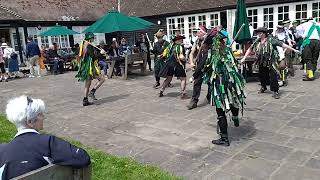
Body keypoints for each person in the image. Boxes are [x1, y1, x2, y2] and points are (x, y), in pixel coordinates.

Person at [0, 95, 91, 179]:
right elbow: (82, 158)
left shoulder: (2, 150)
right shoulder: (47, 142)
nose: (43, 117)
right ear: (30, 122)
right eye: (40, 114)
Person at [202, 27, 246, 146]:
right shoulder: (228, 50)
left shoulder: (211, 53)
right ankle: (235, 117)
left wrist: (196, 73)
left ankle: (224, 138)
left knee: (220, 110)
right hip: (232, 82)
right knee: (232, 100)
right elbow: (234, 64)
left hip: (219, 83)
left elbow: (204, 67)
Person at [242, 27, 299, 99]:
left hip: (272, 61)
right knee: (262, 75)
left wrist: (293, 50)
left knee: (273, 76)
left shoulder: (271, 40)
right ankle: (263, 87)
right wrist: (244, 58)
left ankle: (275, 91)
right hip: (262, 61)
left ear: (264, 34)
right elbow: (250, 49)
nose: (258, 35)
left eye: (260, 33)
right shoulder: (257, 41)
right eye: (258, 33)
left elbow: (282, 44)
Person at [75, 32, 106, 106]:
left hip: (86, 67)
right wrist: (101, 53)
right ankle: (92, 92)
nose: (93, 39)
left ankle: (85, 101)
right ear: (89, 38)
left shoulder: (84, 45)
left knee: (87, 84)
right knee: (102, 79)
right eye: (92, 37)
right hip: (90, 68)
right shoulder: (88, 45)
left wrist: (101, 53)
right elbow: (93, 56)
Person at [187, 25, 211, 110]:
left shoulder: (209, 42)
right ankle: (194, 101)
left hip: (208, 66)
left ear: (204, 34)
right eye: (197, 32)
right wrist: (191, 62)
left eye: (199, 32)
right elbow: (192, 53)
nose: (197, 33)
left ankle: (210, 96)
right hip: (199, 66)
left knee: (210, 82)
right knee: (197, 83)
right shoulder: (197, 42)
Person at [159, 34, 187, 99]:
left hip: (170, 64)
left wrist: (161, 56)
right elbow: (181, 56)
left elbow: (164, 53)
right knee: (183, 78)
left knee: (169, 78)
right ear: (176, 40)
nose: (181, 40)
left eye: (181, 39)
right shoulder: (180, 47)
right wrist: (185, 59)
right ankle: (183, 93)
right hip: (178, 64)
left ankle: (161, 91)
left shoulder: (170, 46)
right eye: (180, 39)